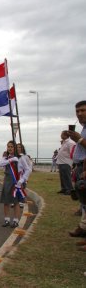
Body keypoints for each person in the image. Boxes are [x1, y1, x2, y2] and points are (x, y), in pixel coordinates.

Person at [0, 141, 32, 228]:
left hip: (16, 182)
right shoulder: (6, 157)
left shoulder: (21, 158)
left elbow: (28, 169)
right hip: (7, 181)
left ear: (15, 148)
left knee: (15, 202)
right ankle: (6, 219)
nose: (10, 148)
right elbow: (0, 164)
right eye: (8, 146)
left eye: (12, 147)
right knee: (6, 201)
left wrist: (23, 179)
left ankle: (16, 220)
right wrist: (11, 160)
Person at [67, 100, 86, 241]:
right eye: (77, 111)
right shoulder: (84, 128)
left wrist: (79, 140)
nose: (79, 114)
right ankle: (83, 228)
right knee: (83, 201)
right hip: (80, 166)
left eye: (83, 110)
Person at [56, 131, 76, 195]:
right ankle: (64, 188)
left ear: (66, 135)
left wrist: (72, 162)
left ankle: (69, 189)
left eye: (62, 134)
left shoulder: (70, 143)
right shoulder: (64, 142)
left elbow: (72, 152)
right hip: (61, 162)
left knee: (67, 176)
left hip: (66, 162)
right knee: (62, 176)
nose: (61, 135)